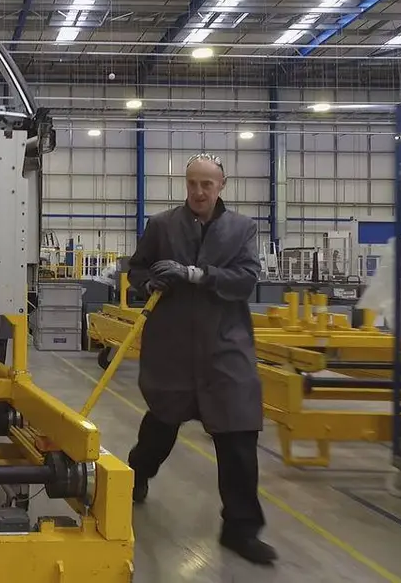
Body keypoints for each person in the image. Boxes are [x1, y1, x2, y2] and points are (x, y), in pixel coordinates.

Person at [126, 153, 276, 565]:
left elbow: (246, 279)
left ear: (221, 186)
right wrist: (149, 283)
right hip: (173, 346)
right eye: (192, 183)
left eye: (206, 184)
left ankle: (241, 530)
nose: (198, 191)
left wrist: (197, 274)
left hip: (225, 347)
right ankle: (136, 475)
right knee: (160, 426)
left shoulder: (242, 229)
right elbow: (136, 270)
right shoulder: (161, 226)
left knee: (239, 435)